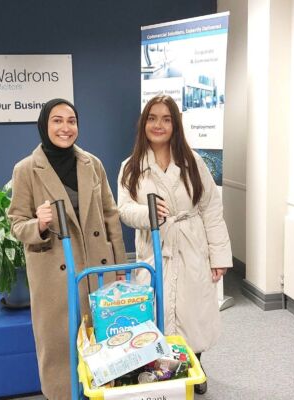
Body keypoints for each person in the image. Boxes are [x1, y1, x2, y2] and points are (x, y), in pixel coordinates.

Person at [8, 98, 126, 400]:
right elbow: (16, 224)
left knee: (105, 337)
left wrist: (120, 267)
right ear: (44, 125)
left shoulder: (92, 164)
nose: (66, 127)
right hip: (54, 273)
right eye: (57, 120)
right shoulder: (26, 169)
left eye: (71, 121)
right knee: (60, 345)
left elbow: (110, 215)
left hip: (98, 269)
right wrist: (39, 224)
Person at [117, 94, 232, 395]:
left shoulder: (194, 162)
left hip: (192, 246)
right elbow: (124, 210)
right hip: (155, 249)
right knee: (158, 312)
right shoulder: (130, 167)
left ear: (175, 125)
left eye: (166, 119)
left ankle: (195, 366)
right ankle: (164, 372)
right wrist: (148, 214)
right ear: (144, 124)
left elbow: (211, 208)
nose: (159, 125)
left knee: (194, 313)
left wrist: (219, 255)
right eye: (153, 118)